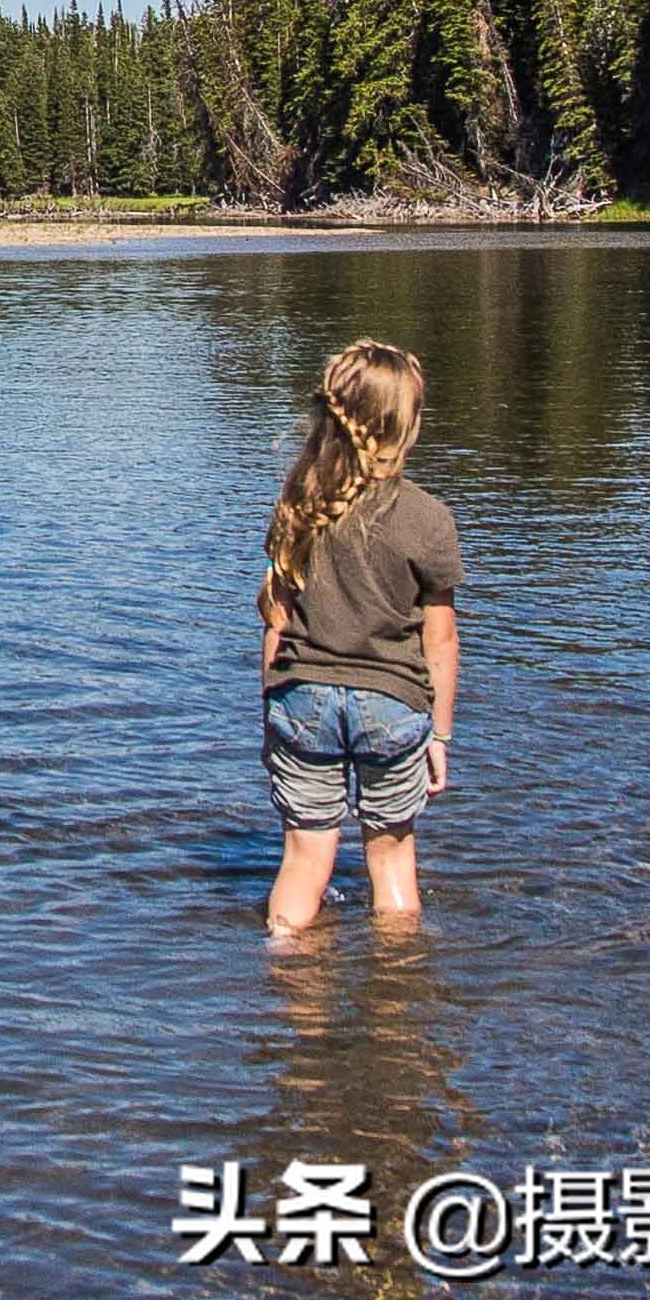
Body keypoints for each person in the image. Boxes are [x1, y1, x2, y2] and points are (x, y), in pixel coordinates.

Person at [256, 340, 461, 934]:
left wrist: (270, 714)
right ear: (405, 426)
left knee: (303, 858)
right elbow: (440, 645)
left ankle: (291, 988)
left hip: (302, 698)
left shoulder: (297, 506)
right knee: (392, 858)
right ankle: (395, 1004)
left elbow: (275, 621)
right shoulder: (428, 519)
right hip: (392, 705)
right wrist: (440, 734)